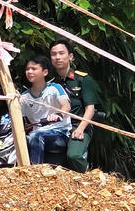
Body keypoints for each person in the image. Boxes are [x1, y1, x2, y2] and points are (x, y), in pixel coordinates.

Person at [49, 39, 102, 172]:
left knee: (74, 156)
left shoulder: (83, 80)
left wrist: (81, 128)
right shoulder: (50, 84)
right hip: (58, 127)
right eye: (54, 54)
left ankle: (87, 178)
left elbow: (90, 109)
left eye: (61, 53)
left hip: (78, 126)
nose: (57, 57)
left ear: (70, 57)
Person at [20, 55, 72, 165]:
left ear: (45, 72)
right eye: (27, 69)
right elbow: (17, 116)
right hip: (36, 133)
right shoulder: (24, 97)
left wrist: (58, 115)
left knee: (36, 136)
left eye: (34, 69)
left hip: (59, 133)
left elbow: (66, 106)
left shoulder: (54, 88)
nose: (29, 72)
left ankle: (35, 172)